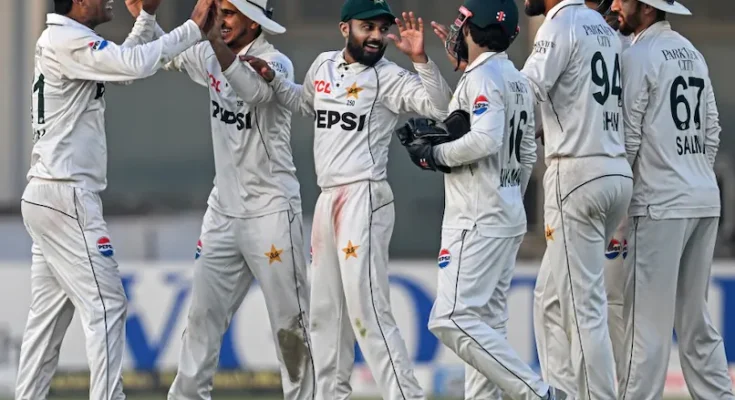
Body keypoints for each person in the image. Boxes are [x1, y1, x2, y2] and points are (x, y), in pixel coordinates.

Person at [244, 0, 452, 397]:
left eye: (382, 29)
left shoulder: (390, 77)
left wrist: (422, 59)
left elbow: (441, 108)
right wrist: (273, 78)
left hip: (365, 197)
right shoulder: (323, 65)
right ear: (345, 29)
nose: (376, 36)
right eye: (366, 27)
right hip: (328, 201)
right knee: (325, 314)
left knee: (368, 311)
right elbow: (305, 102)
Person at [15, 0, 215, 398]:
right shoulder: (66, 40)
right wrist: (192, 28)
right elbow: (134, 65)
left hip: (50, 194)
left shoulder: (66, 38)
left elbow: (124, 68)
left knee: (47, 322)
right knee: (107, 306)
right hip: (65, 195)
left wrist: (146, 19)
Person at [123, 0, 315, 398]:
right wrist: (146, 17)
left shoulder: (276, 61)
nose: (221, 20)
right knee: (200, 322)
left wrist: (213, 44)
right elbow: (167, 56)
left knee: (290, 327)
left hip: (272, 214)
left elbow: (254, 91)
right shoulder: (211, 52)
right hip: (223, 214)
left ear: (254, 20)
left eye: (229, 12)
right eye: (219, 11)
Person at [397, 1, 570, 398]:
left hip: (476, 218)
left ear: (474, 28)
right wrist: (510, 192)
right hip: (503, 213)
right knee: (485, 327)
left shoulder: (485, 78)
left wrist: (435, 155)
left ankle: (538, 393)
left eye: (462, 24)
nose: (455, 31)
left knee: (450, 318)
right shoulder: (512, 77)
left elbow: (487, 138)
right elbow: (526, 152)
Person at [611, 0, 735, 398]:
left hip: (659, 203)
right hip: (701, 198)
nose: (614, 4)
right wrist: (691, 171)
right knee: (696, 323)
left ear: (646, 8)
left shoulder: (638, 55)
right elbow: (711, 128)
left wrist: (619, 209)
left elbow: (628, 136)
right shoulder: (691, 52)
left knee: (645, 327)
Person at [521, 0, 634, 397]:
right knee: (549, 299)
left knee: (584, 310)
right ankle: (563, 392)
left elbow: (525, 89)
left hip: (576, 172)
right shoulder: (605, 29)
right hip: (614, 168)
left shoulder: (560, 21)